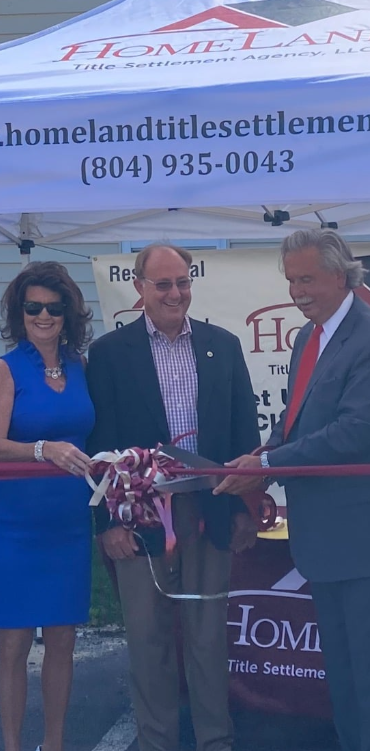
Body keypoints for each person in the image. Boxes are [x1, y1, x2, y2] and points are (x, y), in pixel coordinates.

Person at [215, 229, 370, 751]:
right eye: (291, 280)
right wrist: (260, 458)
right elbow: (296, 423)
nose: (297, 291)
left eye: (308, 279)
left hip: (369, 543)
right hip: (324, 540)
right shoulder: (308, 336)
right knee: (344, 677)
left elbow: (356, 433)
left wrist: (268, 463)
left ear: (342, 275)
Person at [86, 243, 260, 751]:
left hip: (210, 508)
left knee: (208, 636)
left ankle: (215, 740)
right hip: (140, 516)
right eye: (162, 284)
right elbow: (100, 448)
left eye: (182, 282)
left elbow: (242, 433)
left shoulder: (222, 346)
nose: (174, 293)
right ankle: (156, 741)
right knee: (148, 637)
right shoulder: (110, 354)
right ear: (139, 286)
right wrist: (108, 524)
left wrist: (245, 510)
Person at [0, 261, 95, 751]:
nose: (43, 315)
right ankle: (12, 745)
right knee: (13, 644)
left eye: (53, 308)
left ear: (68, 313)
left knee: (63, 640)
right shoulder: (6, 368)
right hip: (15, 526)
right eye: (33, 306)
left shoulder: (81, 366)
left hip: (70, 524)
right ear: (20, 311)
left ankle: (55, 744)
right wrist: (43, 448)